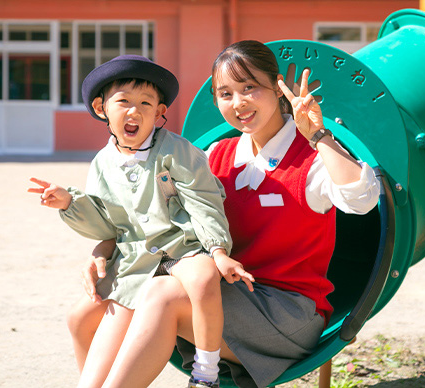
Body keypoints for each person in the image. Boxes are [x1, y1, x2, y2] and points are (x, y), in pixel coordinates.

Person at [76, 40, 381, 388]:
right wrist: (103, 249)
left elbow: (362, 200)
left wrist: (319, 135)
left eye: (249, 88)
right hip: (225, 294)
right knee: (89, 311)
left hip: (288, 310)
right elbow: (149, 215)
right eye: (225, 93)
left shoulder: (308, 159)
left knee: (160, 294)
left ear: (277, 87)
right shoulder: (215, 154)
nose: (238, 103)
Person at [28, 54, 254, 388]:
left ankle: (205, 374)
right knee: (86, 348)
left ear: (160, 113)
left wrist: (218, 249)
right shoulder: (103, 163)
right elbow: (107, 225)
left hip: (184, 249)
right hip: (134, 267)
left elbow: (204, 203)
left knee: (204, 275)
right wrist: (70, 202)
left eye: (146, 103)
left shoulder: (177, 151)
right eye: (123, 102)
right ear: (101, 108)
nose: (134, 111)